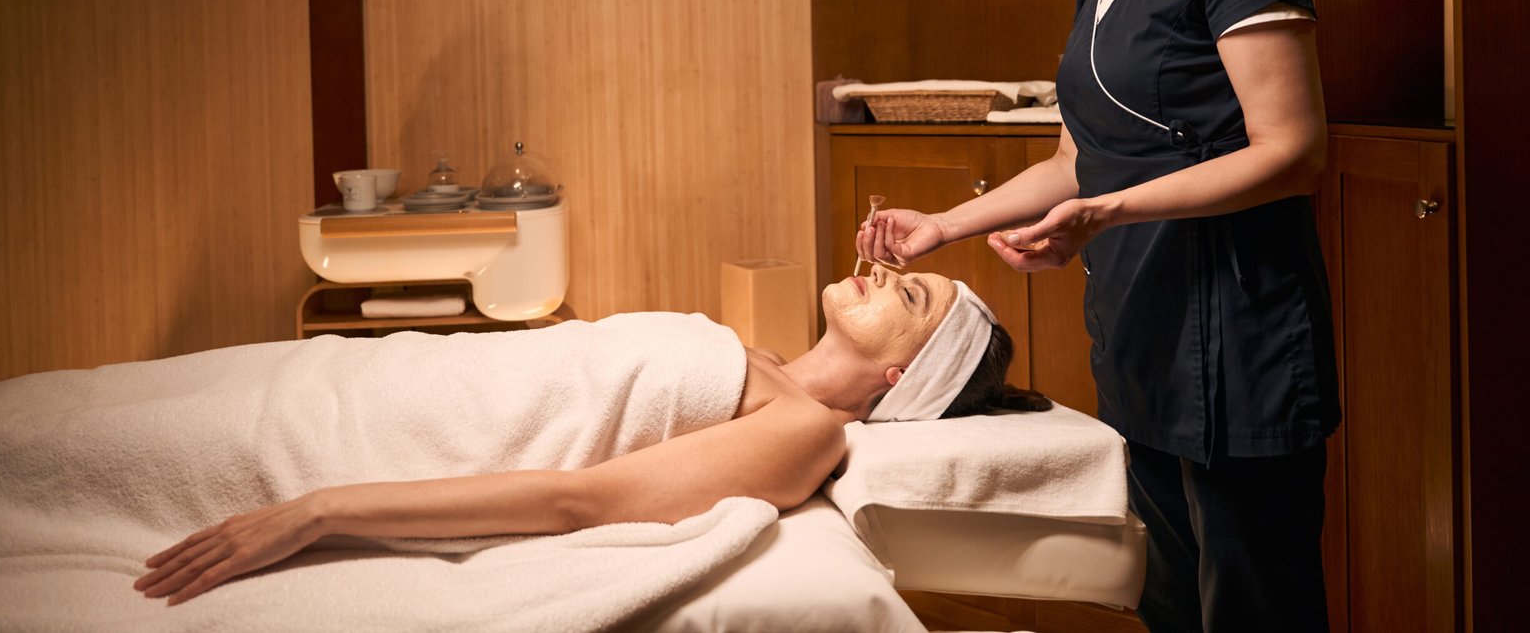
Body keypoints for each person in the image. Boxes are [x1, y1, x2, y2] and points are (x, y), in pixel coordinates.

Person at [857, 0, 1340, 633]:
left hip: (1237, 333)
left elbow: (1292, 150)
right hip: (1141, 329)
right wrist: (944, 226)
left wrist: (1105, 211)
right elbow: (1076, 158)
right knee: (1164, 602)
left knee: (1252, 607)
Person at [134, 266, 1038, 605]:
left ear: (901, 379)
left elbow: (580, 500)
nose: (882, 270)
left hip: (399, 435)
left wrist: (319, 509)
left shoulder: (807, 431)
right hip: (397, 379)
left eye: (910, 296)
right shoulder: (761, 359)